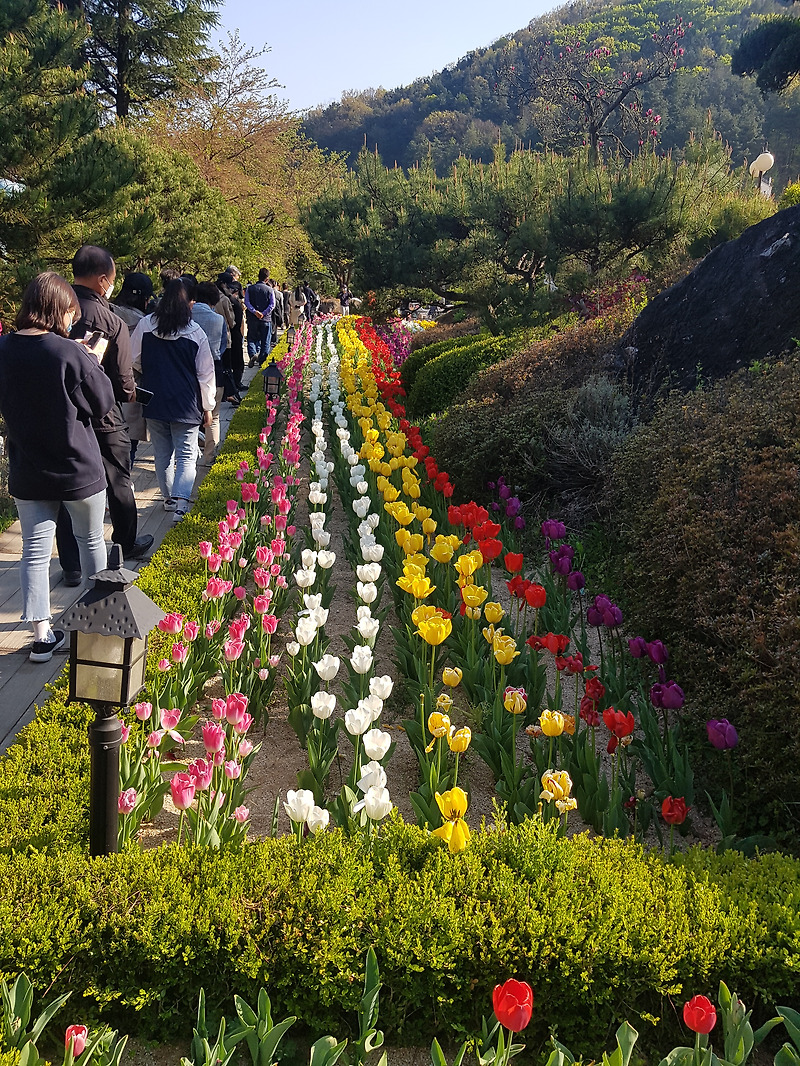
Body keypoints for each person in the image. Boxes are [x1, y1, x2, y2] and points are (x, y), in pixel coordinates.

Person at [0, 273, 115, 662]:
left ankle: (41, 635)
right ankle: (96, 626)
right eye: (70, 313)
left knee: (33, 552)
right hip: (77, 469)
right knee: (91, 542)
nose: (71, 321)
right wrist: (91, 359)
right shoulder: (69, 353)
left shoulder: (4, 348)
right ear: (59, 310)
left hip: (28, 468)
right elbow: (101, 404)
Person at [56, 245, 153, 581]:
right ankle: (125, 543)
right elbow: (124, 380)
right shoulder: (111, 321)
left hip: (65, 415)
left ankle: (70, 564)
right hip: (104, 413)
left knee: (70, 486)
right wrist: (127, 395)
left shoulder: (56, 312)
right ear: (102, 281)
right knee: (118, 479)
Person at [129, 279, 216, 522]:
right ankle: (181, 504)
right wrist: (207, 407)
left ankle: (168, 499)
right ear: (189, 303)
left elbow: (133, 359)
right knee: (186, 454)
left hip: (154, 400)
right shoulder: (194, 332)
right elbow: (205, 374)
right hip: (186, 403)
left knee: (162, 454)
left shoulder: (146, 325)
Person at [113, 272, 154, 466]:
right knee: (129, 448)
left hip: (102, 395)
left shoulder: (106, 314)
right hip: (131, 392)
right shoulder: (144, 323)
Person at [191, 281, 228, 466]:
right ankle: (208, 456)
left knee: (189, 417)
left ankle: (187, 455)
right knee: (215, 416)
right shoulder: (218, 319)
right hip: (213, 369)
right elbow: (223, 346)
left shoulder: (186, 315)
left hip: (188, 370)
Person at [217, 268, 245, 391]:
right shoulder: (227, 299)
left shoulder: (213, 296)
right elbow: (233, 320)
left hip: (219, 334)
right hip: (230, 332)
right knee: (235, 362)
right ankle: (234, 386)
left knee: (224, 363)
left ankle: (226, 388)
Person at [244, 268, 275, 367]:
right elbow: (272, 304)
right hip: (265, 319)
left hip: (253, 318)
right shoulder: (270, 290)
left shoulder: (250, 289)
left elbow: (247, 302)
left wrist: (254, 311)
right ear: (267, 279)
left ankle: (253, 354)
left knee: (251, 338)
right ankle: (262, 361)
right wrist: (264, 313)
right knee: (265, 340)